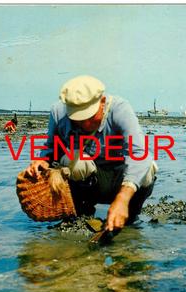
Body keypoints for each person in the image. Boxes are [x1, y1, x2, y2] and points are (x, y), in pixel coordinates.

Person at [25, 75, 157, 232]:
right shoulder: (58, 112)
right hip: (88, 180)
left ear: (102, 102)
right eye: (77, 119)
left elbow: (139, 152)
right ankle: (81, 214)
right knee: (75, 159)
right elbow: (51, 147)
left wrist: (122, 199)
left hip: (119, 178)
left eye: (89, 117)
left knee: (148, 167)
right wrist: (43, 160)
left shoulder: (119, 109)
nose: (84, 124)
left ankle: (130, 214)